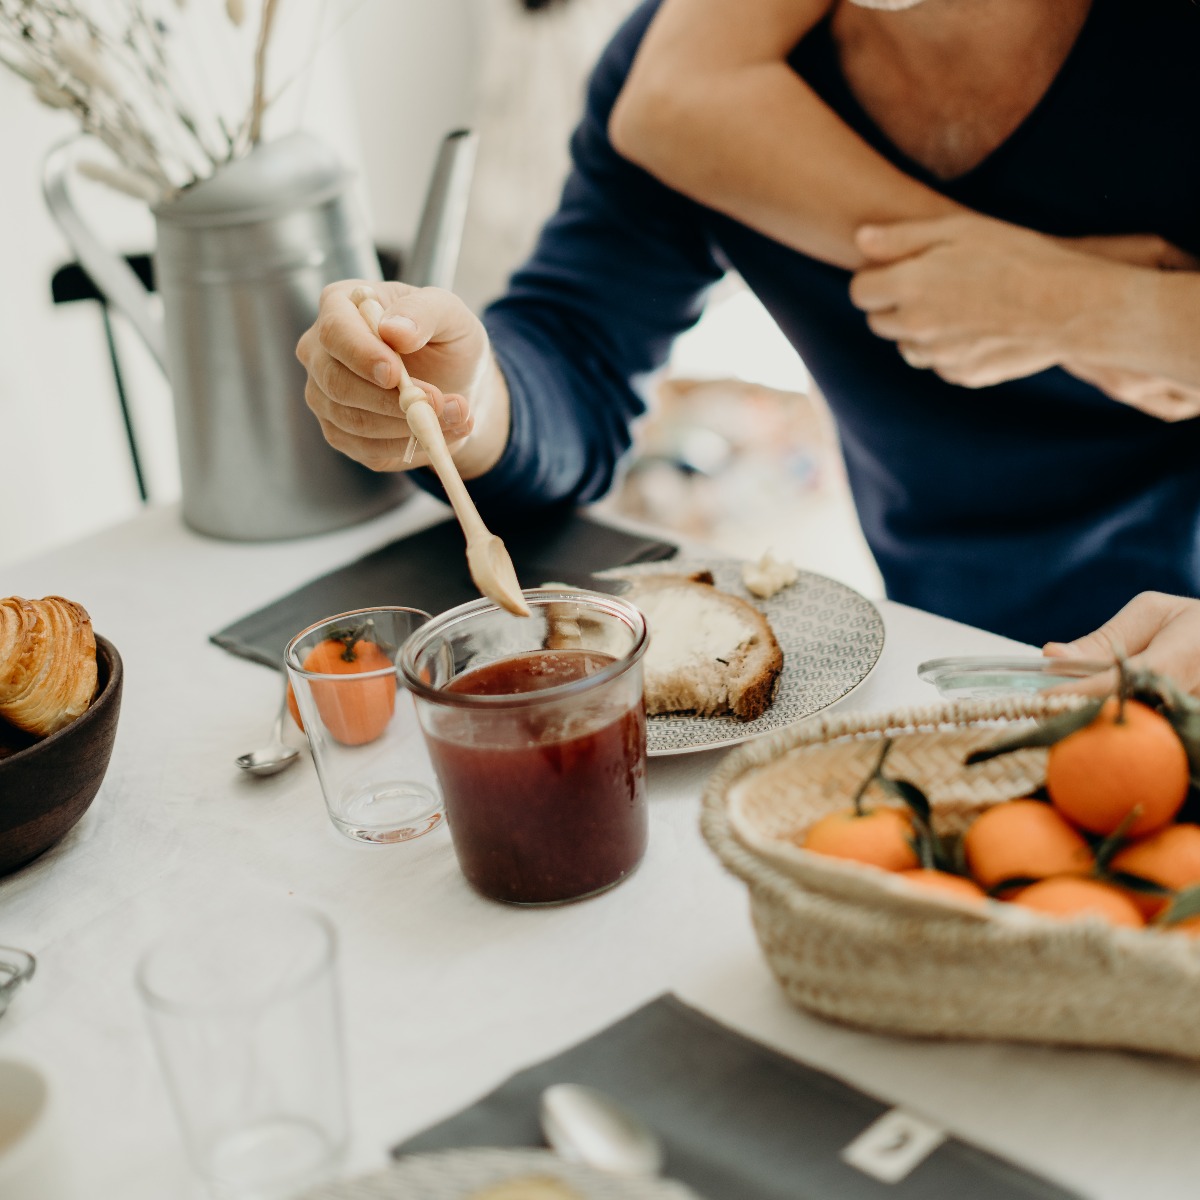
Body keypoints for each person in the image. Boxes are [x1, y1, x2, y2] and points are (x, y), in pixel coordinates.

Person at [297, 0, 1200, 664]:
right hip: (955, 660)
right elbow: (574, 354)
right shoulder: (671, 81)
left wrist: (1084, 304)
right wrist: (465, 393)